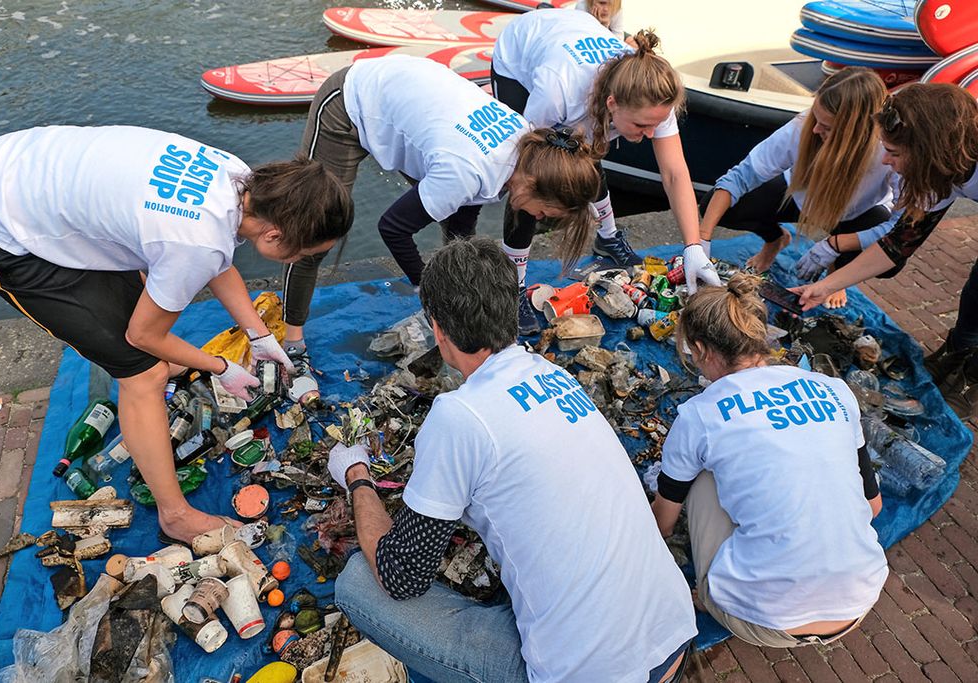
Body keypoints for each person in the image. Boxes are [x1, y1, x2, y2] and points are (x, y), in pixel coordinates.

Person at [0, 125, 352, 543]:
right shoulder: (196, 241)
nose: (300, 261)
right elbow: (143, 333)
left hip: (17, 161)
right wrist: (220, 367)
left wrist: (257, 335)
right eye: (302, 254)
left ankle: (166, 373)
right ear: (274, 235)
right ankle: (175, 515)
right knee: (143, 372)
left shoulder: (236, 176)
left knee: (150, 314)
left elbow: (215, 260)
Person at [326, 237, 697, 682]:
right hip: (675, 636)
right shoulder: (553, 373)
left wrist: (356, 474)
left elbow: (400, 575)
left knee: (356, 585)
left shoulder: (458, 415)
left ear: (438, 328)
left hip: (593, 673)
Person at [281, 54, 600, 363]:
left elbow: (462, 221)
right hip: (352, 101)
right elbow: (392, 228)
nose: (539, 219)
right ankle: (292, 341)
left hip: (413, 105)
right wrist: (430, 294)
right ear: (532, 183)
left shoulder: (530, 152)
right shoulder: (466, 170)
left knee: (459, 229)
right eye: (545, 212)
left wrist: (462, 300)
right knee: (312, 231)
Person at [651, 274, 888, 649]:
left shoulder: (700, 414)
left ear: (701, 349)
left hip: (765, 623)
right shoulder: (834, 389)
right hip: (860, 602)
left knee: (700, 478)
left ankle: (714, 597)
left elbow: (662, 525)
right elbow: (873, 506)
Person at [491, 10, 719, 333]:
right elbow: (526, 174)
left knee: (590, 150)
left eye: (656, 125)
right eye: (642, 125)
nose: (651, 134)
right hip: (520, 56)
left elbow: (674, 174)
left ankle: (608, 237)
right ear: (612, 104)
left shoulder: (650, 94)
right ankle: (512, 286)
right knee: (538, 181)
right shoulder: (558, 91)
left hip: (575, 53)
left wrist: (693, 246)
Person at [793, 83, 978, 416]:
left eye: (893, 152)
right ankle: (958, 352)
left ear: (928, 150)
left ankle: (973, 376)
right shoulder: (938, 167)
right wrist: (825, 286)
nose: (884, 159)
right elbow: (897, 244)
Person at [699, 67, 896, 308]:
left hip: (856, 215)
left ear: (855, 131)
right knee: (713, 205)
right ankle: (775, 240)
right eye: (816, 118)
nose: (815, 130)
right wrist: (702, 241)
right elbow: (741, 176)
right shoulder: (804, 126)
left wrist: (834, 245)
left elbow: (903, 228)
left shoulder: (891, 149)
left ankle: (838, 275)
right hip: (800, 198)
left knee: (891, 259)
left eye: (827, 127)